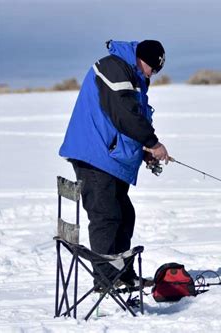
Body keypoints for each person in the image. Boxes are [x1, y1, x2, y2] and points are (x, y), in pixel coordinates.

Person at [59, 40, 169, 288]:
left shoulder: (133, 75)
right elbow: (124, 114)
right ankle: (107, 281)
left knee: (124, 215)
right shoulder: (113, 67)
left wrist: (143, 150)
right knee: (106, 217)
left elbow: (128, 120)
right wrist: (152, 142)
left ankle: (122, 275)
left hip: (110, 158)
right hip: (94, 155)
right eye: (152, 67)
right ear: (141, 58)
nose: (153, 73)